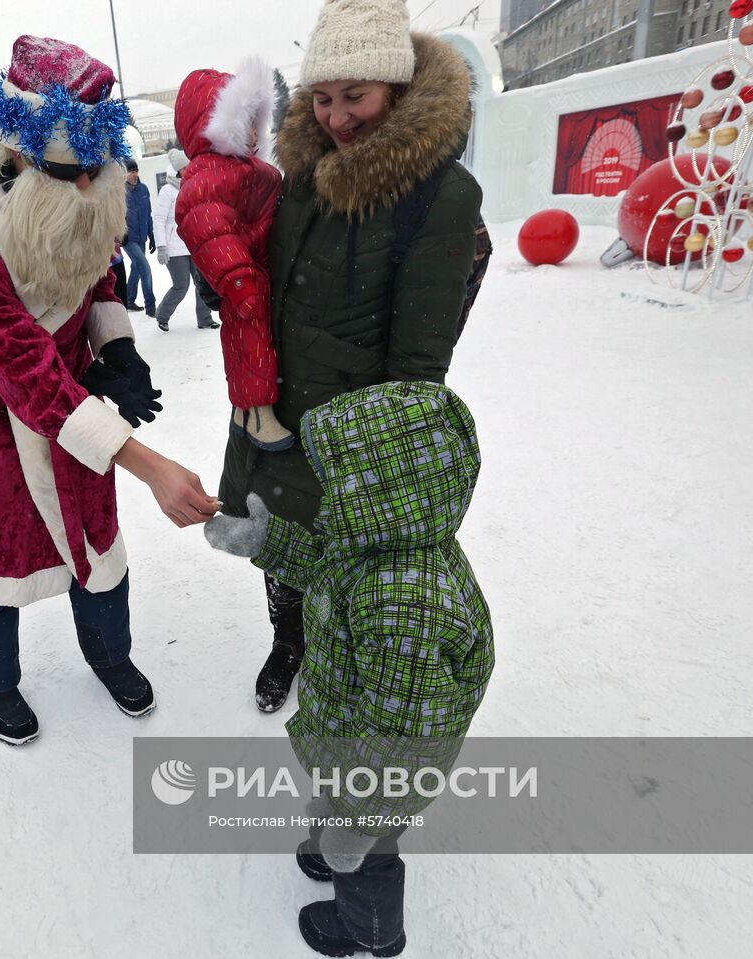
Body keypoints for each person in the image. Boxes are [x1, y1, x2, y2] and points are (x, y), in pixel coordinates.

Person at [216, 1, 486, 953]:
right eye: (323, 97)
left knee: (372, 649)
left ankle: (367, 888)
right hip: (278, 430)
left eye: (356, 95)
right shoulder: (303, 180)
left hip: (362, 461)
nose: (337, 115)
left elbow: (418, 370)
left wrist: (363, 469)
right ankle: (314, 722)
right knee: (305, 601)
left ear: (400, 86)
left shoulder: (439, 198)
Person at [0, 35, 219, 745]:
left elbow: (99, 274)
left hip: (81, 405)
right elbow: (24, 370)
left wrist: (116, 347)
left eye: (99, 169)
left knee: (98, 547)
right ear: (23, 153)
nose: (92, 188)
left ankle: (110, 656)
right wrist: (149, 464)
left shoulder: (79, 193)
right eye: (74, 173)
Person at [205, 383, 494, 959]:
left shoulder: (405, 602)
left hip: (383, 771)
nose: (326, 485)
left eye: (339, 474)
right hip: (349, 727)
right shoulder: (383, 537)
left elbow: (401, 736)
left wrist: (361, 820)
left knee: (370, 849)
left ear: (384, 489)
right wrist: (264, 540)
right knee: (338, 794)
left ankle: (371, 930)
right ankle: (337, 829)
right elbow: (325, 563)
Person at [175, 58, 293, 452]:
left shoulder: (249, 169)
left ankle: (248, 412)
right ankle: (256, 413)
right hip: (246, 276)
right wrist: (236, 276)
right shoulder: (210, 173)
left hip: (259, 268)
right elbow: (205, 224)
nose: (254, 132)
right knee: (251, 341)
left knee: (253, 341)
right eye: (246, 120)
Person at [151, 148, 218, 333]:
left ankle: (204, 318)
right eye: (185, 167)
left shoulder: (192, 185)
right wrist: (162, 246)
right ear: (178, 170)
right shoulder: (167, 190)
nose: (189, 169)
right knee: (181, 286)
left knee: (201, 284)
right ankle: (162, 316)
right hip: (174, 248)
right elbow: (159, 219)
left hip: (193, 245)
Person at [122, 159, 156, 315]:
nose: (134, 174)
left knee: (136, 268)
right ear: (124, 173)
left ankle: (129, 300)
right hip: (128, 238)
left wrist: (151, 234)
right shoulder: (120, 192)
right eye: (131, 171)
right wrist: (122, 233)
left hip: (142, 237)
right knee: (144, 267)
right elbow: (116, 216)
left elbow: (148, 213)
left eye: (135, 171)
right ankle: (151, 306)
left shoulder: (144, 189)